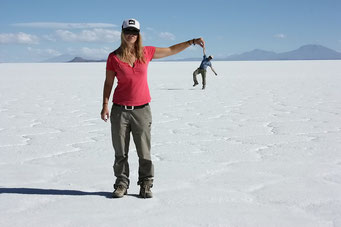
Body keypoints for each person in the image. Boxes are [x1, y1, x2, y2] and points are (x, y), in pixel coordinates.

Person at [100, 18, 205, 199]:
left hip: (141, 110)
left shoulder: (145, 52)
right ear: (122, 33)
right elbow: (108, 83)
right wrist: (105, 105)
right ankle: (121, 184)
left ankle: (146, 184)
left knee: (144, 151)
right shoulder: (114, 57)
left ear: (138, 34)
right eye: (127, 31)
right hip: (119, 111)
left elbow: (171, 50)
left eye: (134, 32)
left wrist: (192, 42)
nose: (130, 35)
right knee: (120, 152)